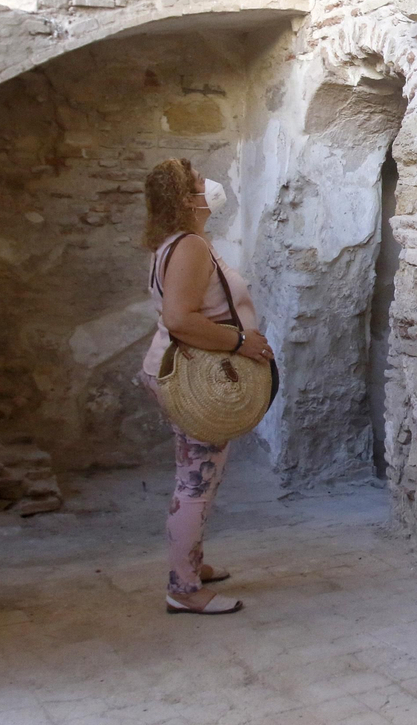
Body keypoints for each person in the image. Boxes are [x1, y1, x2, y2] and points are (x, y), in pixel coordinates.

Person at [139, 158, 274, 615]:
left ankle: (191, 562)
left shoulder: (180, 243)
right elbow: (180, 319)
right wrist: (242, 341)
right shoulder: (191, 246)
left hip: (182, 371)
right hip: (196, 378)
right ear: (185, 199)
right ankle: (183, 588)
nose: (209, 186)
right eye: (199, 184)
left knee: (196, 475)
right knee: (196, 481)